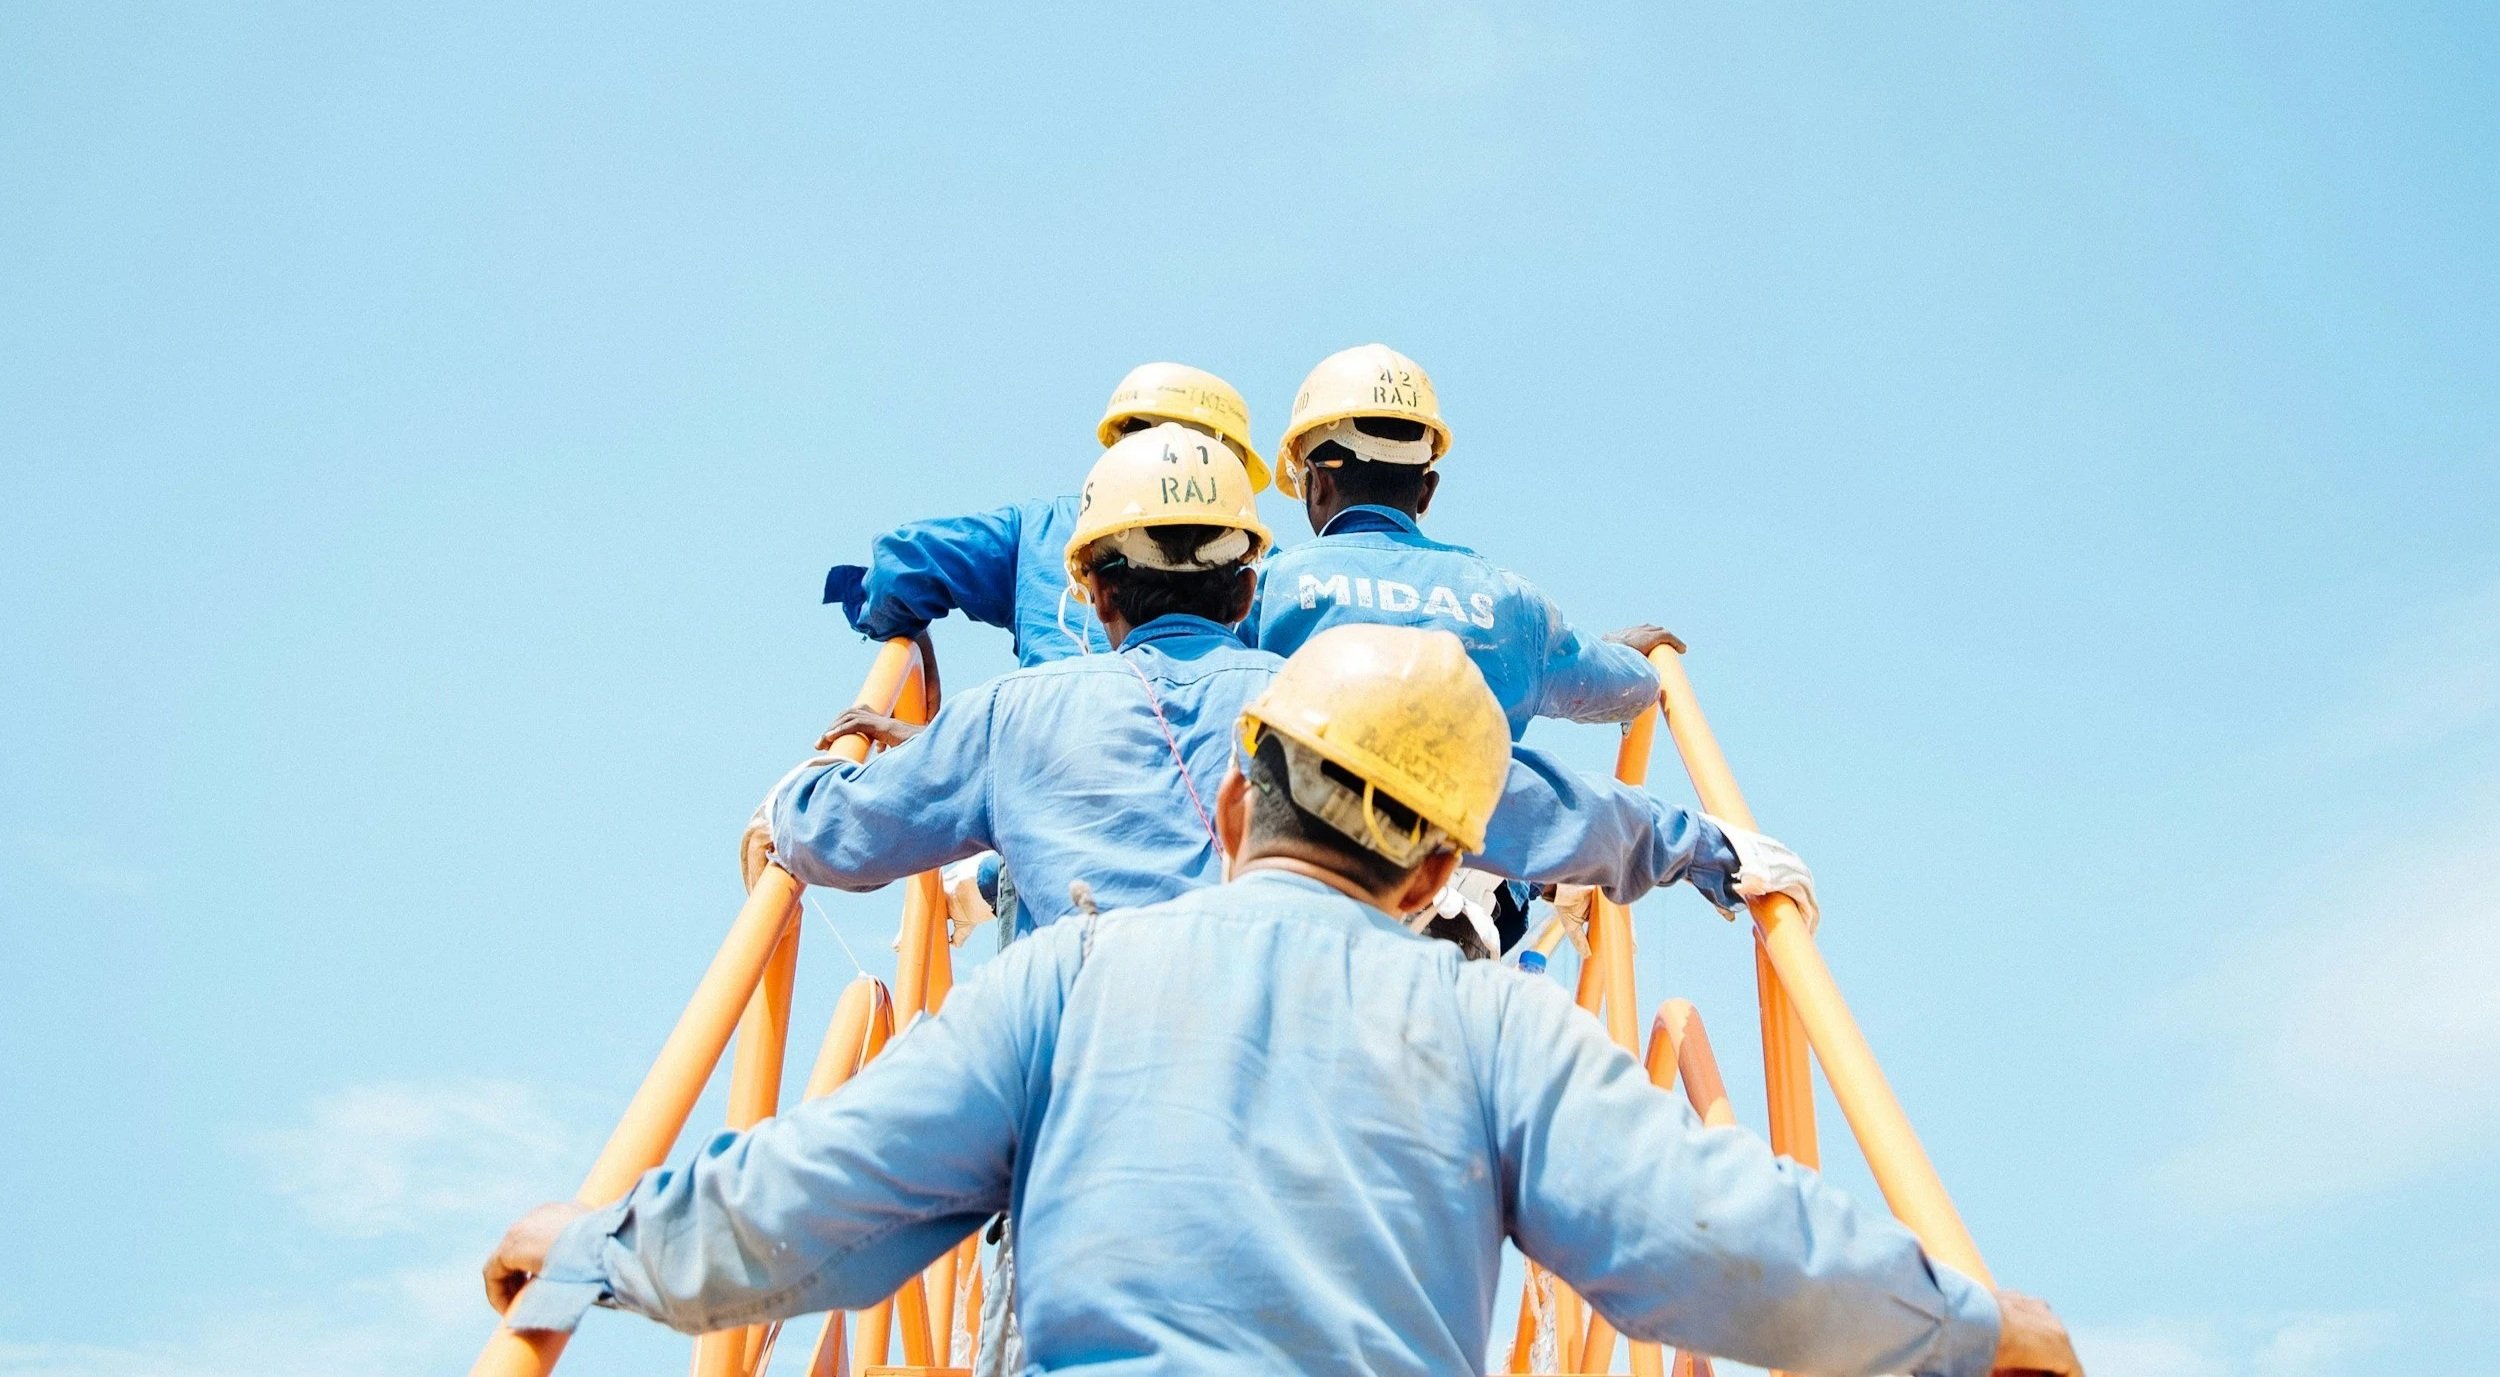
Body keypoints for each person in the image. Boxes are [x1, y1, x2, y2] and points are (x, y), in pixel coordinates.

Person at [485, 624, 2083, 1377]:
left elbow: (816, 1200)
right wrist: (1964, 1323)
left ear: (1239, 804)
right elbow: (1711, 1233)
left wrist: (588, 1255)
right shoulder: (1501, 1026)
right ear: (1436, 871)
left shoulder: (1061, 983)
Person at [742, 423, 1817, 937]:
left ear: (1094, 589)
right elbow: (1534, 803)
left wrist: (815, 777)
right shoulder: (1339, 704)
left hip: (1074, 1120)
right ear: (1249, 570)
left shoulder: (1007, 717)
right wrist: (1707, 848)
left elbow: (835, 838)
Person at [1251, 343, 1680, 741]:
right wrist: (1622, 655)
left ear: (1318, 483)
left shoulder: (1268, 590)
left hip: (1305, 819)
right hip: (1472, 823)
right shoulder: (1511, 602)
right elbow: (1626, 686)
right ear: (1426, 490)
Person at [822, 361, 1268, 667]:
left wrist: (905, 632)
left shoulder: (1038, 531)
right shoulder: (1257, 564)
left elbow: (902, 567)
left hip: (1041, 769)